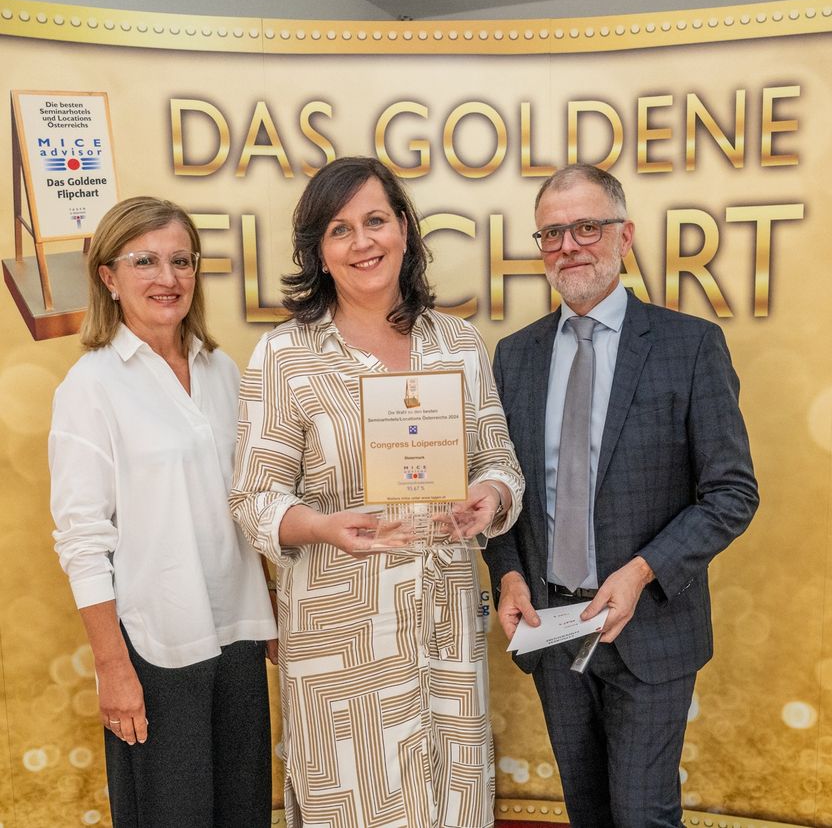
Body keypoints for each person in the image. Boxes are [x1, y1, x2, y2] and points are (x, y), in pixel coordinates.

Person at [229, 156, 524, 828]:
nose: (362, 242)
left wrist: (488, 497)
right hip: (342, 647)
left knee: (450, 804)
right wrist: (323, 527)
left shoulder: (458, 343)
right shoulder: (286, 355)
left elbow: (500, 459)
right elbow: (254, 498)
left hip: (444, 626)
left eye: (375, 221)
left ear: (403, 230)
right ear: (319, 252)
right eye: (340, 229)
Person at [483, 165, 759, 828]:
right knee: (588, 814)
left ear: (624, 235)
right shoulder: (514, 357)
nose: (569, 245)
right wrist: (509, 573)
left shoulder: (689, 346)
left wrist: (641, 573)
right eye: (553, 233)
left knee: (641, 816)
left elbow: (732, 491)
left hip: (652, 631)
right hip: (552, 632)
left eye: (586, 227)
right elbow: (499, 490)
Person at [48, 196, 278, 827]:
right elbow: (81, 539)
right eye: (144, 261)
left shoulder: (223, 370)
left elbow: (245, 502)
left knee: (244, 813)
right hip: (154, 647)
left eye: (181, 260)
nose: (167, 278)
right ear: (108, 277)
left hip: (237, 633)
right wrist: (112, 667)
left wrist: (273, 610)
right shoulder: (91, 387)